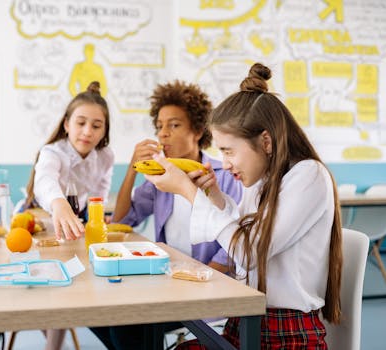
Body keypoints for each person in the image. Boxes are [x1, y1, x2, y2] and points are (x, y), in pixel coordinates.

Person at [145, 63, 342, 349]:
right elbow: (239, 235)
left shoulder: (309, 176)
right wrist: (213, 195)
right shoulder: (261, 181)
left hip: (286, 335)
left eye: (228, 151)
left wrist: (189, 193)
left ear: (265, 141)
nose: (224, 163)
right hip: (246, 323)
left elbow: (249, 252)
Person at [91, 80, 243, 349]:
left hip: (206, 290)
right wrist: (132, 170)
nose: (163, 134)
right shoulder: (159, 179)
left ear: (198, 130)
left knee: (128, 326)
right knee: (100, 313)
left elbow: (232, 248)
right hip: (168, 284)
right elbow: (123, 220)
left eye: (174, 125)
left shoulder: (224, 175)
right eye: (159, 126)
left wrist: (193, 282)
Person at [25, 81, 113, 349]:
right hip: (38, 218)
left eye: (96, 126)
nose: (87, 132)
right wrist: (59, 204)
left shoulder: (105, 155)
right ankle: (52, 338)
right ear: (66, 124)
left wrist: (97, 219)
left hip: (75, 219)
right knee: (43, 286)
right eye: (80, 122)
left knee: (67, 282)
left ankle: (53, 343)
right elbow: (44, 180)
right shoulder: (53, 152)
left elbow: (100, 192)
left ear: (105, 131)